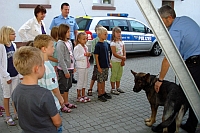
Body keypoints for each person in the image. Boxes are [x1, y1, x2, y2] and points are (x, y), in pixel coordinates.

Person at [155, 5, 200, 133]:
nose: (161, 23)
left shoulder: (174, 30)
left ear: (169, 18)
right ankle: (191, 125)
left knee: (180, 96)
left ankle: (168, 127)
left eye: (161, 20)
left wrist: (160, 79)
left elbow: (168, 58)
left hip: (196, 63)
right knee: (195, 96)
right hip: (195, 61)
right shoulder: (185, 19)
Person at [12, 46, 61, 133]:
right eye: (42, 64)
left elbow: (17, 112)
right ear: (36, 69)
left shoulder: (16, 91)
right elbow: (57, 122)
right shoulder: (45, 94)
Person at [49, 2, 79, 83]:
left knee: (71, 58)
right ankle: (63, 73)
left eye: (68, 9)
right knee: (63, 58)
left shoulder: (72, 19)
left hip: (70, 41)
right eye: (65, 9)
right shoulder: (56, 20)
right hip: (61, 42)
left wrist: (76, 40)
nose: (67, 11)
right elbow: (52, 31)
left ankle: (71, 75)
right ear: (61, 9)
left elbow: (76, 30)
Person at [0, 26, 22, 126]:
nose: (15, 36)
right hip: (6, 77)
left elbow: (16, 60)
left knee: (15, 95)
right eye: (13, 34)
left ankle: (16, 113)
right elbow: (0, 64)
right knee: (7, 96)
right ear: (6, 35)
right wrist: (6, 76)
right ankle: (8, 116)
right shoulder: (1, 47)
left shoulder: (13, 45)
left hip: (15, 74)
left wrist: (20, 73)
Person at [57, 24, 77, 109]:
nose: (69, 33)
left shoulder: (69, 42)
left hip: (70, 67)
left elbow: (72, 55)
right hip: (64, 69)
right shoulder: (60, 44)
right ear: (63, 32)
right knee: (63, 86)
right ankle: (61, 104)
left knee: (68, 86)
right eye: (68, 31)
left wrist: (74, 66)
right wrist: (65, 71)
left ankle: (66, 102)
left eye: (70, 31)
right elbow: (61, 59)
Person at [94, 27, 112, 102]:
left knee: (104, 80)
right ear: (99, 35)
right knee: (100, 80)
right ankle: (100, 94)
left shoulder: (106, 43)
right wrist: (98, 66)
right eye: (105, 34)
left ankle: (103, 92)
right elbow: (96, 56)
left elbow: (107, 54)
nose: (106, 35)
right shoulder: (98, 45)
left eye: (107, 34)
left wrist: (109, 62)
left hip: (106, 65)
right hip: (101, 66)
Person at [74, 32, 91, 102]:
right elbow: (76, 57)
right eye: (83, 39)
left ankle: (83, 94)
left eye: (86, 39)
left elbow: (87, 58)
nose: (85, 40)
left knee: (85, 80)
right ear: (79, 39)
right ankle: (78, 95)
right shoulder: (77, 48)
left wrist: (88, 56)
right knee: (80, 81)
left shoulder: (86, 47)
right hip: (81, 67)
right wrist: (84, 55)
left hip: (86, 66)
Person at [110, 27, 126, 95]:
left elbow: (124, 51)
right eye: (117, 32)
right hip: (115, 61)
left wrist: (123, 59)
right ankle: (113, 88)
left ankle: (118, 87)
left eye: (120, 32)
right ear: (114, 33)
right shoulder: (113, 43)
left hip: (120, 61)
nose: (119, 34)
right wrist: (122, 57)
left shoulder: (122, 42)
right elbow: (114, 53)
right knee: (114, 75)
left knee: (119, 75)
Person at [88, 24, 103, 96]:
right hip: (97, 63)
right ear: (96, 32)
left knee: (101, 77)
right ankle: (90, 88)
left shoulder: (104, 40)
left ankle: (99, 88)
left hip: (103, 63)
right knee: (94, 76)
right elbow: (93, 51)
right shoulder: (95, 41)